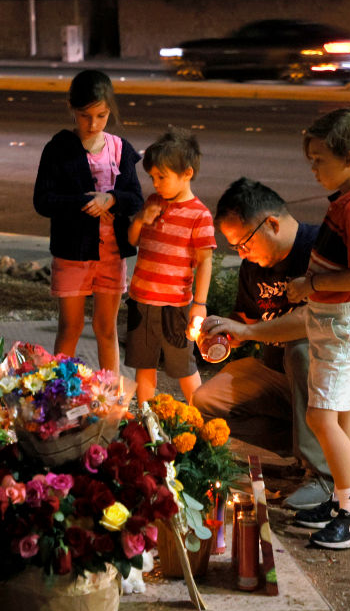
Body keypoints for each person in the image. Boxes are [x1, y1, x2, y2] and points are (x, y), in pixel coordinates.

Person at [194, 178, 350, 512]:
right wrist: (221, 336)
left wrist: (248, 331)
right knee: (206, 399)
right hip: (289, 379)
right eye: (236, 247)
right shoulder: (252, 269)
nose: (242, 253)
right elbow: (245, 322)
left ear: (270, 223)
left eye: (243, 242)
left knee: (301, 349)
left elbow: (312, 320)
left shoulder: (318, 248)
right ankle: (307, 451)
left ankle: (325, 477)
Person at [284, 107, 350, 550]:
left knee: (321, 415)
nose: (313, 167)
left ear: (348, 158)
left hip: (344, 324)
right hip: (334, 321)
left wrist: (310, 285)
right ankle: (345, 500)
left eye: (319, 159)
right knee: (339, 414)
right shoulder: (349, 201)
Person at [33, 70, 144, 372]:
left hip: (111, 253)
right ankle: (57, 394)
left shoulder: (119, 148)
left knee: (106, 329)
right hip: (72, 253)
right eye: (85, 116)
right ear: (71, 107)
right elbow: (42, 200)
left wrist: (111, 199)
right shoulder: (59, 148)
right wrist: (83, 202)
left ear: (110, 110)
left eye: (101, 115)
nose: (93, 124)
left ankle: (110, 398)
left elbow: (136, 197)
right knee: (70, 327)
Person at [125, 128, 216, 405]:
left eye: (162, 177)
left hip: (174, 305)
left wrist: (199, 304)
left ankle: (202, 417)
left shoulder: (199, 215)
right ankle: (144, 418)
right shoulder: (153, 203)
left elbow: (204, 261)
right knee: (144, 363)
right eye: (152, 177)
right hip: (141, 300)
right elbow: (132, 241)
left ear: (186, 173)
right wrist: (140, 219)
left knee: (182, 366)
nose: (156, 184)